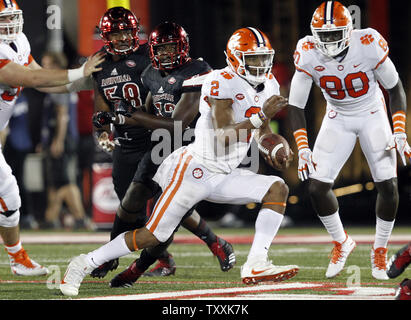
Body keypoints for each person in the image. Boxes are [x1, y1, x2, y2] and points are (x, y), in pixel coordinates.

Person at [60, 26, 299, 297]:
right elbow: (223, 136)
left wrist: (274, 146)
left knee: (277, 188)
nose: (261, 65)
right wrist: (259, 118)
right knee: (153, 236)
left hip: (225, 173)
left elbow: (262, 130)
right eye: (252, 59)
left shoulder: (269, 83)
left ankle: (256, 264)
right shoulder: (219, 80)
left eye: (263, 58)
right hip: (195, 168)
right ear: (234, 58)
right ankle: (84, 263)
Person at [88, 8, 235, 283]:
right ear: (105, 37)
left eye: (126, 32)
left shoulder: (154, 58)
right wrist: (104, 129)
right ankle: (157, 256)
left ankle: (204, 245)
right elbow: (102, 107)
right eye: (115, 34)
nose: (121, 39)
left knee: (171, 206)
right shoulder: (100, 65)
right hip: (128, 140)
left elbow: (170, 115)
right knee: (129, 207)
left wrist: (130, 115)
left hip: (161, 139)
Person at [287, 1, 410, 280]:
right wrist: (302, 148)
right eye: (323, 35)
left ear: (349, 30)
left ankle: (379, 250)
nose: (328, 41)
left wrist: (399, 131)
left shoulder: (367, 43)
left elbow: (395, 87)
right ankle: (342, 241)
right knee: (317, 188)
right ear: (313, 33)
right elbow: (295, 105)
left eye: (334, 34)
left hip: (372, 112)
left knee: (388, 185)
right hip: (337, 116)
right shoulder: (307, 52)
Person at [0, 0, 103, 276]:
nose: (10, 24)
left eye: (13, 17)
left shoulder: (18, 41)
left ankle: (18, 259)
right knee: (8, 191)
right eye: (4, 19)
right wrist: (79, 71)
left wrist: (83, 83)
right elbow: (31, 79)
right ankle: (17, 259)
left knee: (9, 195)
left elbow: (40, 76)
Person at [38, 52, 91, 230]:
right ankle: (51, 217)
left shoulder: (58, 82)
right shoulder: (61, 83)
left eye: (47, 65)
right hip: (61, 138)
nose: (44, 68)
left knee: (65, 181)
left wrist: (58, 140)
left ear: (56, 66)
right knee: (56, 180)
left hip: (63, 138)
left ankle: (80, 217)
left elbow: (62, 115)